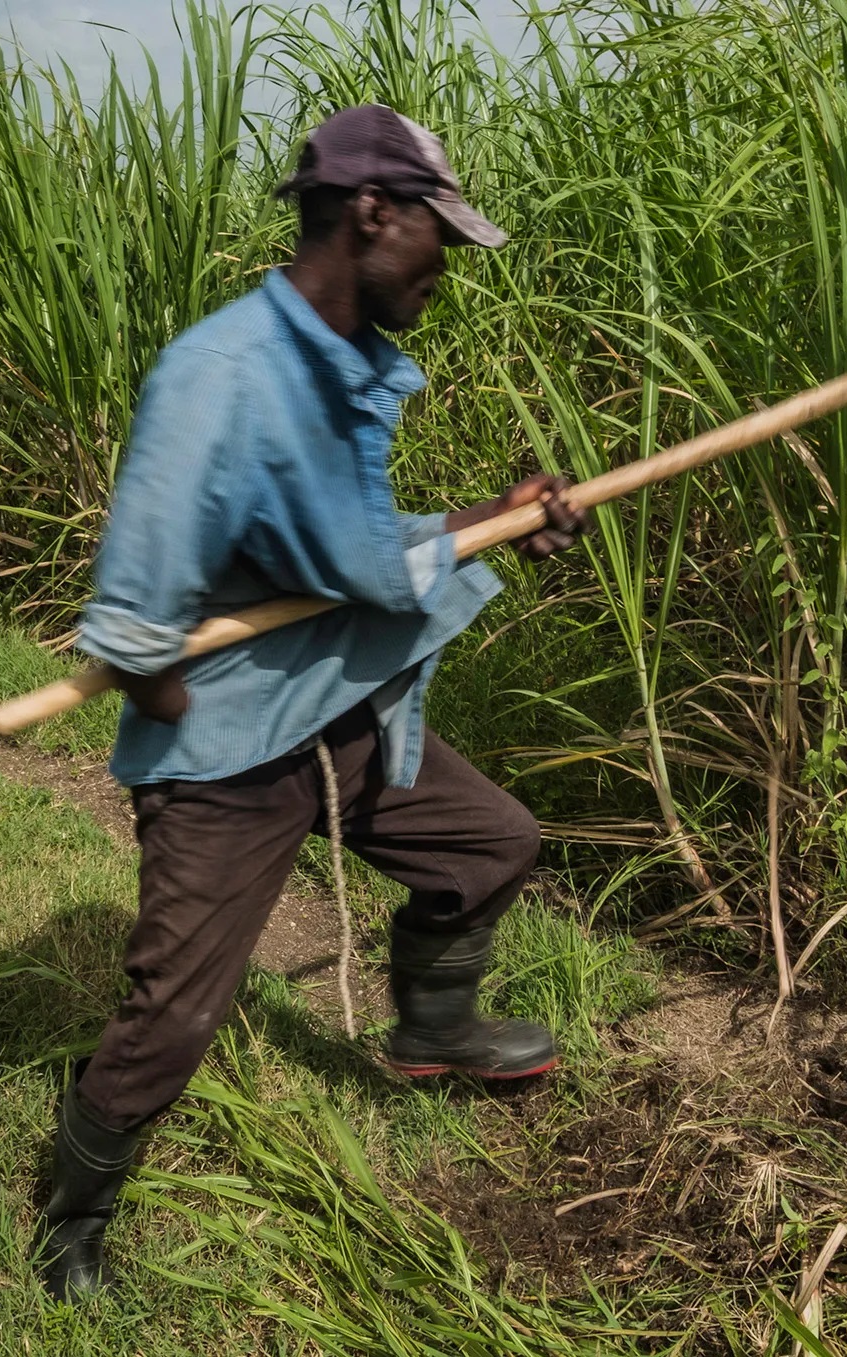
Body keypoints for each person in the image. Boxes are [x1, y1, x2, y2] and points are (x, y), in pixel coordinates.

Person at [34, 103, 587, 1303]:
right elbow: (133, 602)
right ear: (370, 213)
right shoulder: (220, 374)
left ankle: (432, 1030)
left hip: (337, 704)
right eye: (437, 232)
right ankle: (71, 1213)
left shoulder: (337, 367)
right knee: (176, 1015)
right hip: (227, 747)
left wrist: (487, 519)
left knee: (489, 843)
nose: (446, 264)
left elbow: (342, 548)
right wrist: (161, 684)